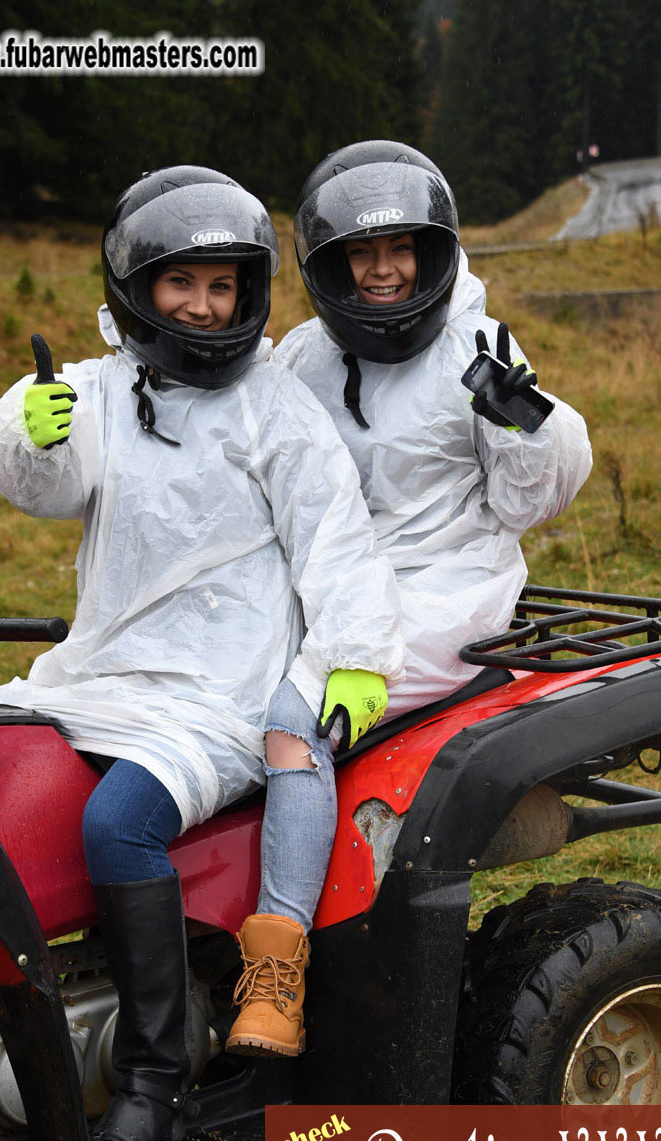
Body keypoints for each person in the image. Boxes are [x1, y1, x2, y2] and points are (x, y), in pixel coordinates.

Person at [0, 166, 405, 1141]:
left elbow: (337, 542)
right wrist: (27, 430)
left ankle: (154, 1083)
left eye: (222, 286)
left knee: (115, 826)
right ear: (136, 287)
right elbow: (46, 482)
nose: (204, 306)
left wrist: (352, 661)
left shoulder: (273, 407)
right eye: (181, 284)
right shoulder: (95, 390)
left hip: (217, 694)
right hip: (97, 674)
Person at [226, 140, 593, 1056]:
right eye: (361, 252)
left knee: (294, 717)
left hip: (442, 589)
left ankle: (278, 969)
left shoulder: (476, 344)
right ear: (329, 264)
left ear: (432, 253)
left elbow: (527, 503)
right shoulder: (304, 356)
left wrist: (523, 423)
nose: (383, 270)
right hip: (332, 583)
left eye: (400, 249)